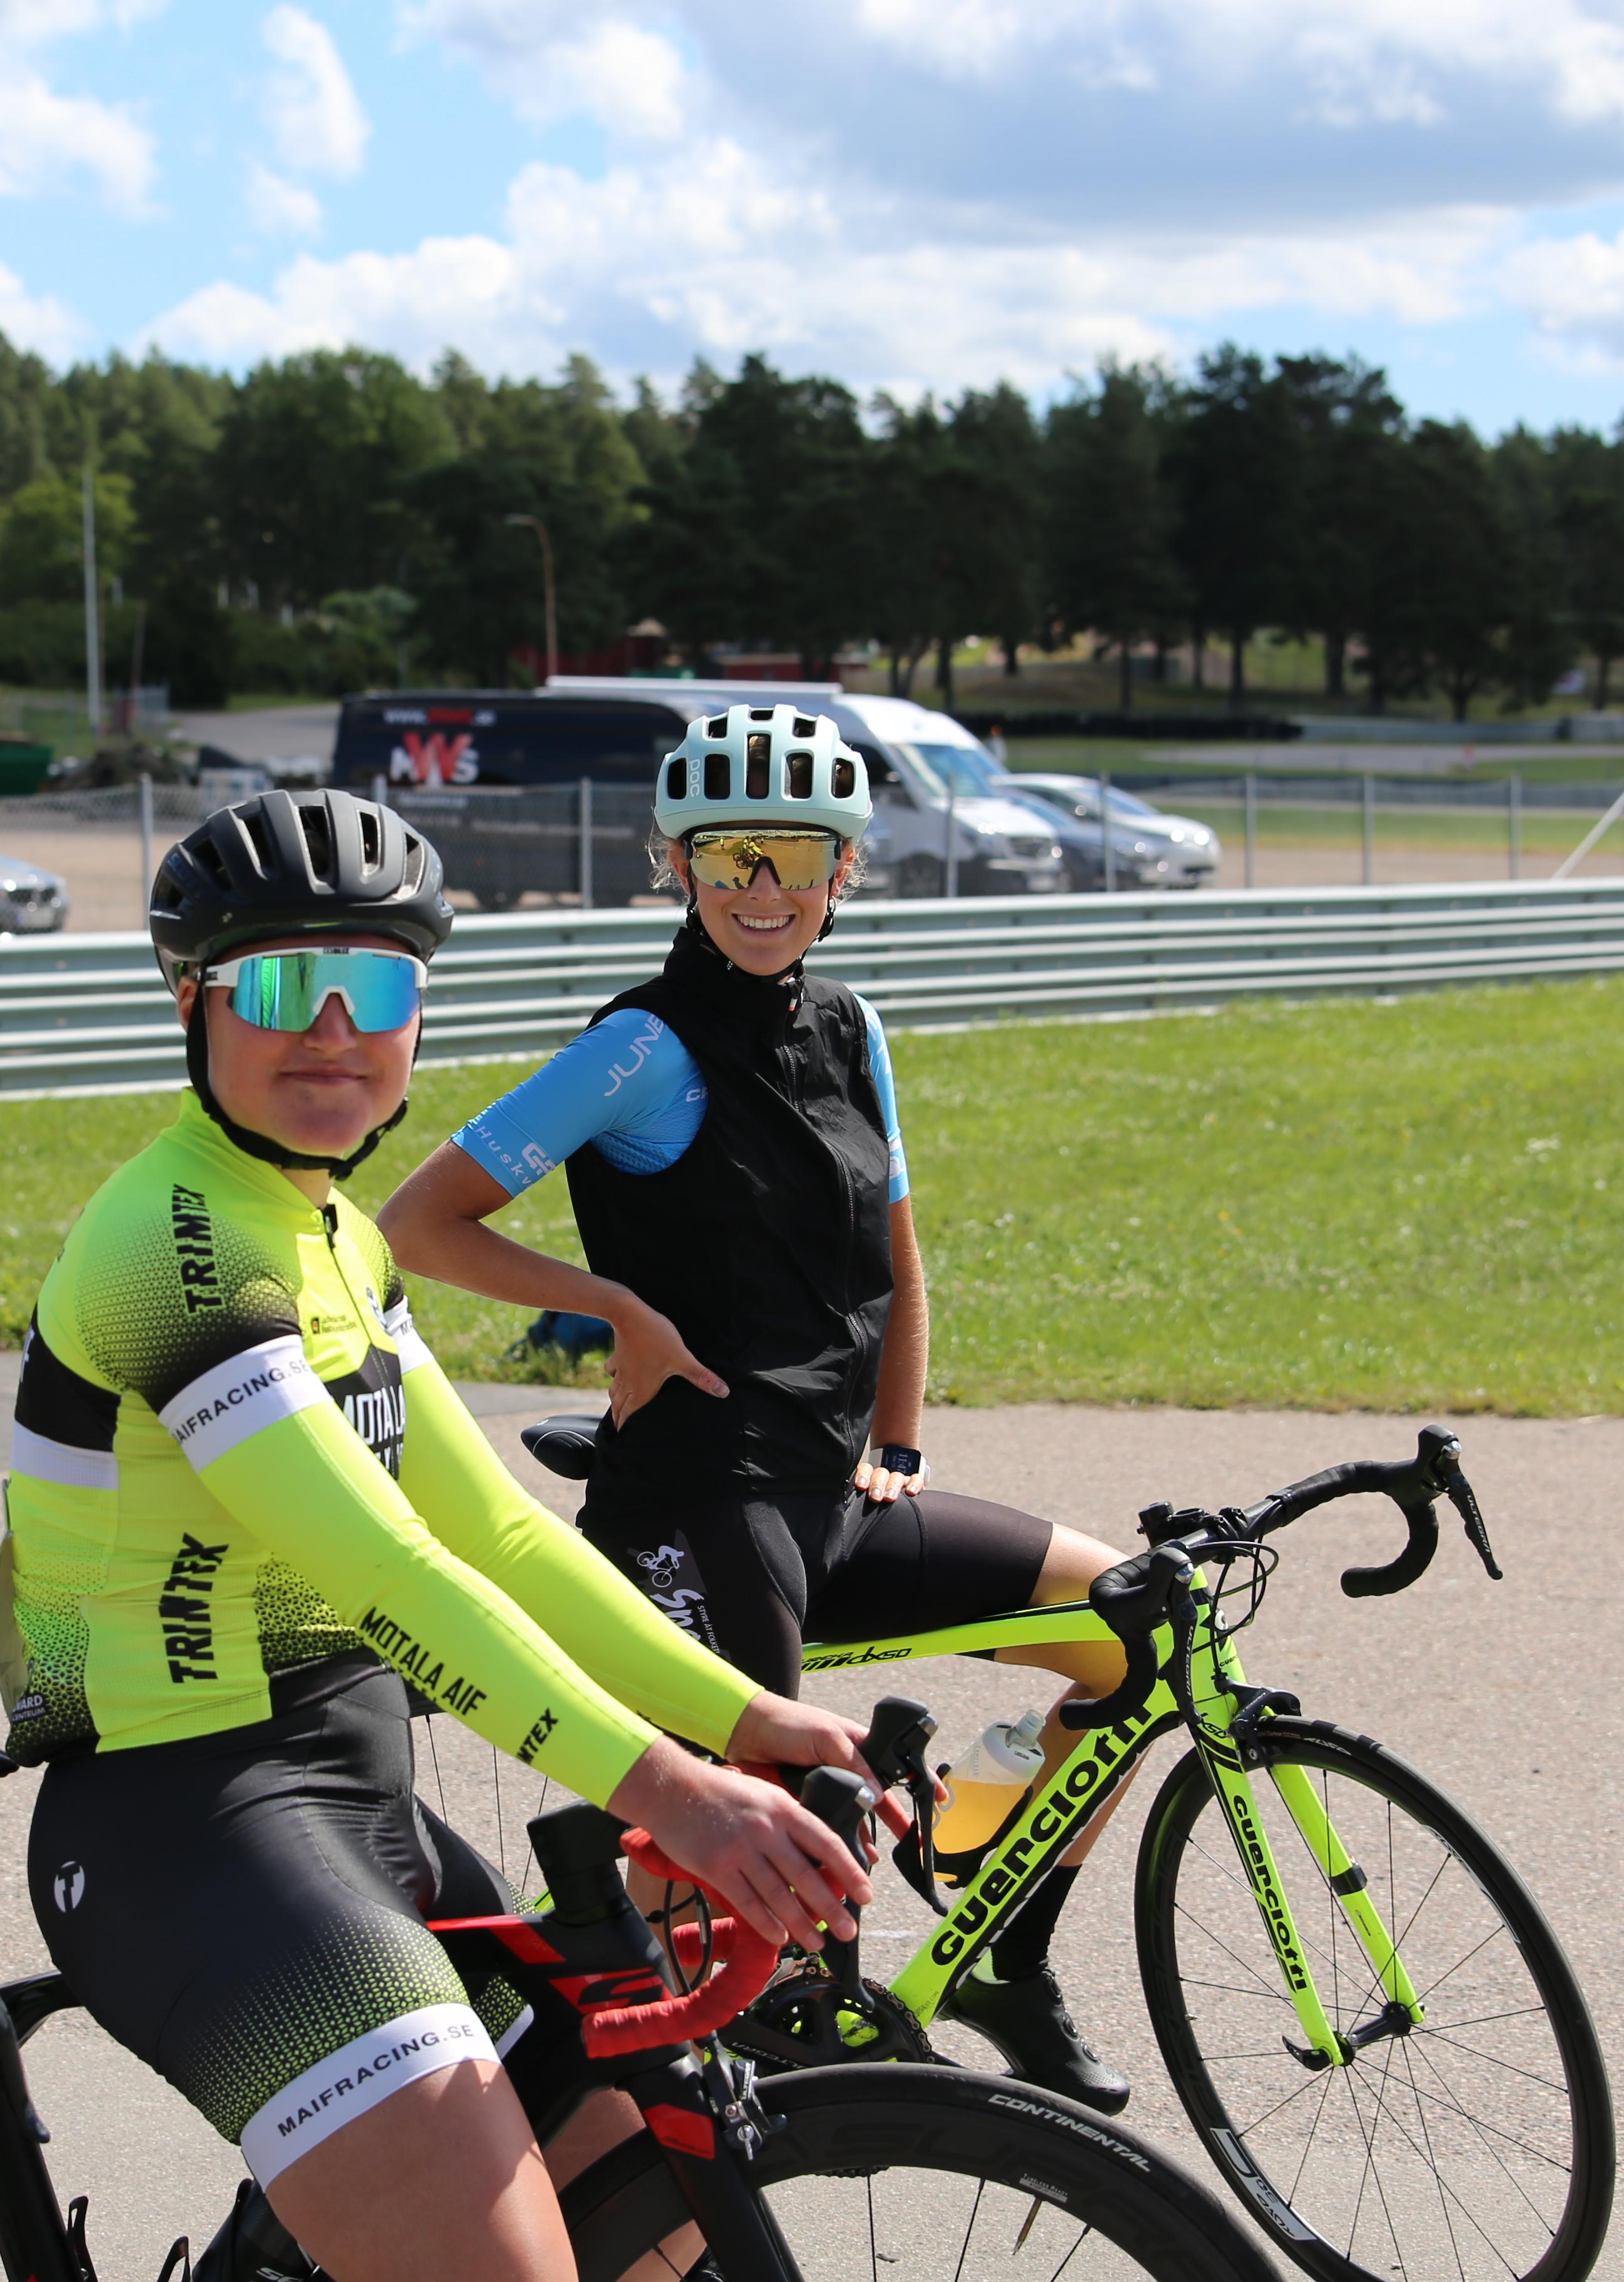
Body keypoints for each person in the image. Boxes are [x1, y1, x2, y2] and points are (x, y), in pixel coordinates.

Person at [0, 788, 881, 2282]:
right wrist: (677, 1792)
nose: (334, 1028)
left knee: (649, 2214)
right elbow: (385, 1572)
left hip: (354, 1797)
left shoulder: (338, 1235)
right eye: (284, 985)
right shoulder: (175, 1245)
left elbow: (500, 1537)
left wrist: (750, 1718)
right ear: (194, 1004)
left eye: (378, 986)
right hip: (186, 1820)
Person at [377, 706, 1135, 2111]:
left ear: (844, 870)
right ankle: (569, 2122)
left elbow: (897, 1247)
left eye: (796, 856)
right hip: (699, 1501)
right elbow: (420, 1223)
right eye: (732, 860)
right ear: (680, 868)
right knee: (739, 1861)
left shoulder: (852, 1026)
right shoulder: (640, 1048)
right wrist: (617, 1309)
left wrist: (897, 1438)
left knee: (1128, 1633)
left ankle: (997, 1937)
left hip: (829, 1494)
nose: (765, 891)